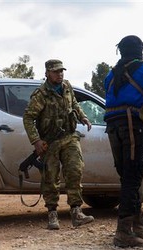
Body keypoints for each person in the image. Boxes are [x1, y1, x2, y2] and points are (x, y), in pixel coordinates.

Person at [104, 35, 143, 247]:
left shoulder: (110, 75)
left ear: (121, 51)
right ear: (140, 50)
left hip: (112, 127)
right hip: (131, 125)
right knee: (133, 175)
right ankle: (123, 232)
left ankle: (138, 223)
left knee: (126, 175)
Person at [23, 59, 94, 230]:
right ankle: (52, 215)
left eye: (61, 71)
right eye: (56, 71)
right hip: (50, 141)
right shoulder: (41, 95)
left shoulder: (67, 86)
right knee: (51, 178)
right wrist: (36, 141)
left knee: (75, 171)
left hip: (70, 137)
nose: (60, 74)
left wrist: (82, 116)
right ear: (47, 73)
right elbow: (28, 118)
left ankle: (76, 212)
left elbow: (74, 103)